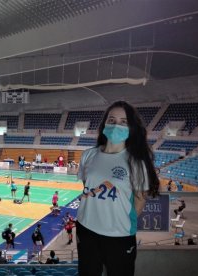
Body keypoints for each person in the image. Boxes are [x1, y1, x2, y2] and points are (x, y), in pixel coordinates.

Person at [76, 101, 160, 276]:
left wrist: (115, 221)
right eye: (112, 120)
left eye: (123, 122)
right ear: (104, 124)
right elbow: (88, 188)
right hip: (85, 229)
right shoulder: (88, 155)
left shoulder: (136, 162)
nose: (116, 126)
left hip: (119, 235)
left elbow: (139, 202)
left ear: (131, 127)